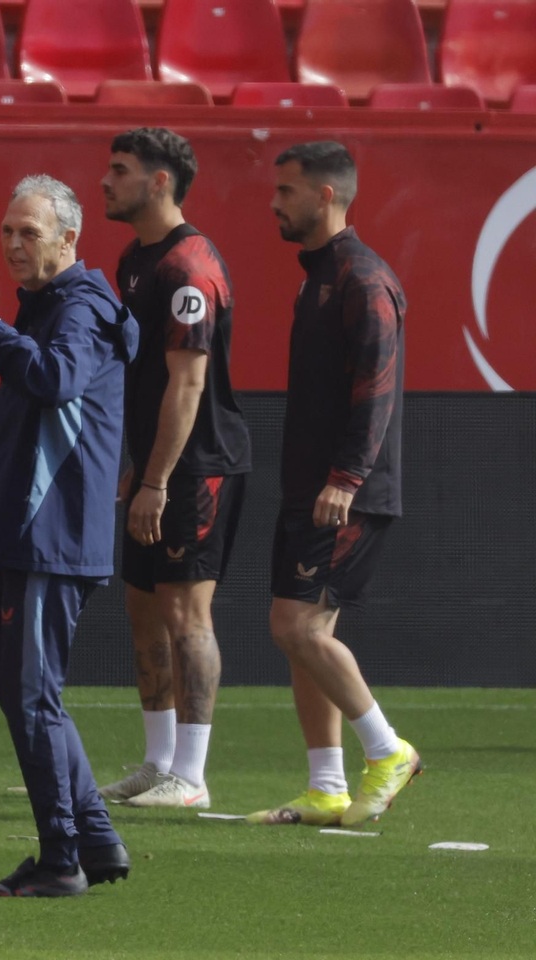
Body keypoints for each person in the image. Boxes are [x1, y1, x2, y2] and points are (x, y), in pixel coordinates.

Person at [0, 175, 133, 897]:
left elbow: (58, 381)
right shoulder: (56, 306)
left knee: (29, 694)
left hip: (53, 536)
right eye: (7, 232)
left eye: (28, 233)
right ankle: (93, 839)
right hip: (37, 531)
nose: (13, 244)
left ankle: (62, 857)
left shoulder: (79, 306)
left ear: (69, 240)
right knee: (24, 690)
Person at [248, 142, 419, 828]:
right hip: (312, 485)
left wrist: (346, 478)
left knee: (297, 626)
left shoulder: (361, 277)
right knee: (299, 634)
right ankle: (326, 788)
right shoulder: (320, 274)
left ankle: (389, 750)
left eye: (285, 190)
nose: (273, 201)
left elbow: (374, 390)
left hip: (346, 491)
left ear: (325, 196)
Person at [96, 128, 251, 809]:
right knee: (142, 607)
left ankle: (192, 776)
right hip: (152, 467)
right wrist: (138, 470)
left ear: (160, 182)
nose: (106, 181)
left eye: (120, 170)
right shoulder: (136, 257)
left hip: (197, 470)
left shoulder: (188, 267)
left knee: (188, 614)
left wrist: (157, 480)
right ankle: (158, 763)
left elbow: (187, 386)